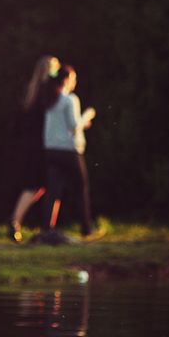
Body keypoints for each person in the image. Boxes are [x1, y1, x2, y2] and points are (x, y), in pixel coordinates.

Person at [39, 64, 96, 243]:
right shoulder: (69, 99)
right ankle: (86, 228)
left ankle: (47, 228)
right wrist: (87, 115)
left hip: (51, 150)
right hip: (69, 151)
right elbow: (73, 126)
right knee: (81, 188)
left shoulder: (51, 101)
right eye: (74, 79)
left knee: (54, 191)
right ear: (67, 80)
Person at [7, 55, 61, 243]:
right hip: (41, 145)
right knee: (42, 185)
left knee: (36, 186)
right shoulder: (48, 91)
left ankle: (18, 221)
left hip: (29, 144)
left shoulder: (30, 90)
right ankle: (22, 223)